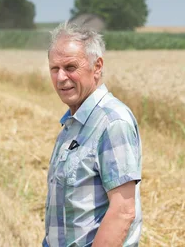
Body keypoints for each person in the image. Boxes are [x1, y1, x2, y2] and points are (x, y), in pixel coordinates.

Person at [43, 21, 142, 247]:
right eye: (54, 69)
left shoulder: (112, 122)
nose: (60, 78)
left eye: (70, 67)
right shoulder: (73, 124)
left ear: (97, 67)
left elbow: (123, 211)